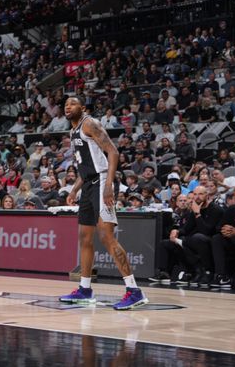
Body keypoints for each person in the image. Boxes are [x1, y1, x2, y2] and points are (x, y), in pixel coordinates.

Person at [59, 97, 149, 310]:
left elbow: (113, 152)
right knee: (84, 237)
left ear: (82, 108)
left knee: (106, 236)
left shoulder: (90, 124)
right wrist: (74, 189)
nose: (68, 107)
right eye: (65, 105)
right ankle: (85, 289)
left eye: (72, 104)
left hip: (101, 182)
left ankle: (134, 291)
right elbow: (86, 166)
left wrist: (109, 184)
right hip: (89, 184)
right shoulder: (73, 132)